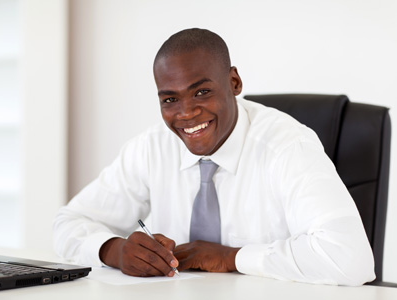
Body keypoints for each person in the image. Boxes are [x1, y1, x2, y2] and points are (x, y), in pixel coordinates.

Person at [54, 28, 375, 285]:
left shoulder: (289, 145)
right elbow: (68, 223)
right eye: (169, 99)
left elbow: (351, 260)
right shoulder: (151, 147)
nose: (187, 112)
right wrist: (114, 249)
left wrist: (232, 257)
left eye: (202, 92)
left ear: (233, 82)